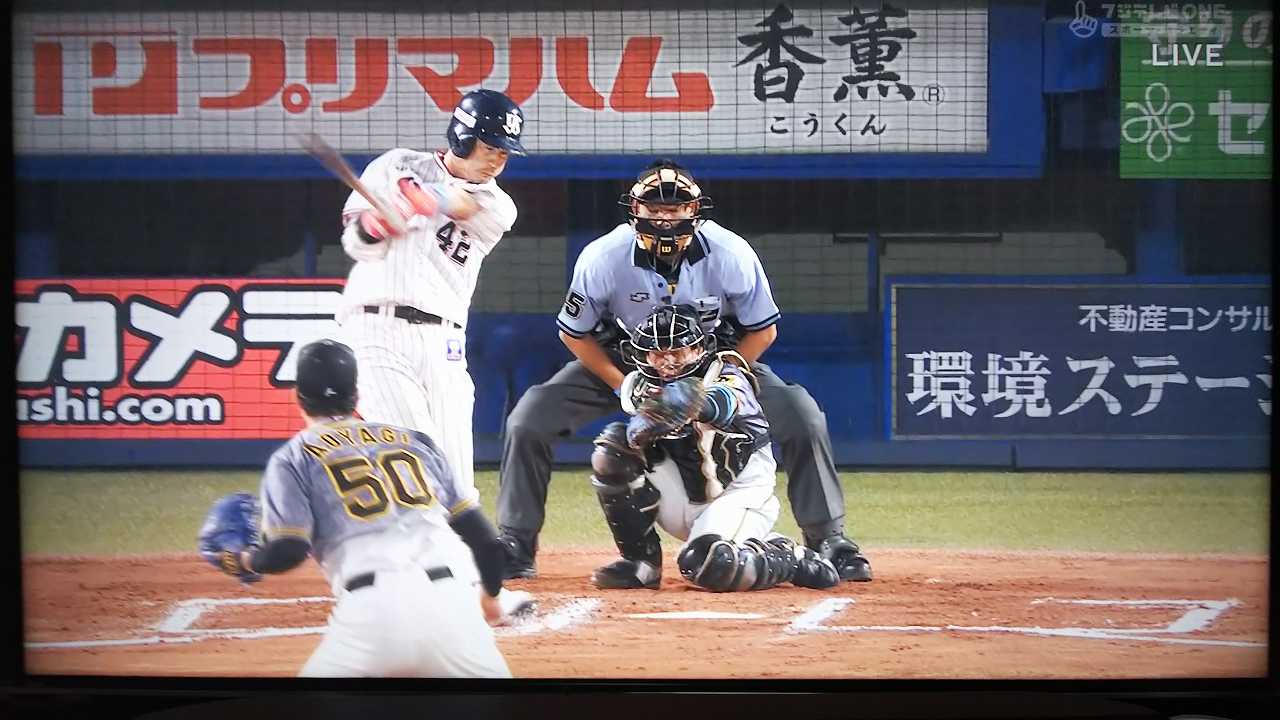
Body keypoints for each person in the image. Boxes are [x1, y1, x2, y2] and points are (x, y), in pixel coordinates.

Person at [496, 159, 872, 583]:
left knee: (801, 414)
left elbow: (763, 330)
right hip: (629, 359)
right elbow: (574, 333)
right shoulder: (603, 257)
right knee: (529, 418)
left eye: (674, 209)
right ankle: (517, 545)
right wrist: (625, 385)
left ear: (694, 210)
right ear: (634, 210)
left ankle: (828, 541)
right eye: (655, 209)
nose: (664, 219)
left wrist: (724, 376)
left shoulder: (731, 253)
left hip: (710, 357)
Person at [197, 339, 533, 678]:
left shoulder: (293, 458)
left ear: (297, 397)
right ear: (356, 396)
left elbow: (290, 550)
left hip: (371, 620)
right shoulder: (416, 442)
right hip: (453, 609)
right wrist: (490, 600)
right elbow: (485, 541)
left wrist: (245, 560)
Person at [336, 88, 525, 496]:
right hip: (375, 329)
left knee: (458, 486)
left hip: (444, 342)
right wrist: (377, 226)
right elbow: (355, 244)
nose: (497, 159)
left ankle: (461, 541)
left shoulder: (499, 204)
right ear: (463, 137)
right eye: (489, 147)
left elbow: (462, 204)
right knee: (413, 460)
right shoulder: (394, 165)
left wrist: (421, 197)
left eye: (504, 152)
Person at [589, 304, 840, 592]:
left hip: (738, 494)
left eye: (677, 352)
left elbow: (722, 402)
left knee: (707, 564)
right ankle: (640, 564)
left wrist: (690, 403)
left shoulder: (727, 374)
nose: (667, 362)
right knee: (613, 448)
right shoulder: (640, 385)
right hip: (682, 493)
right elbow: (634, 435)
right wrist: (643, 426)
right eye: (657, 353)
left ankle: (788, 557)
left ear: (699, 349)